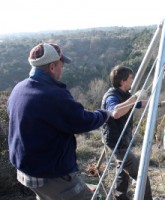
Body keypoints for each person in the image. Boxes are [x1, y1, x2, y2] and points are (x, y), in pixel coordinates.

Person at [7, 42, 110, 200]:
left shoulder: (19, 89)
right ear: (52, 67)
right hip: (50, 175)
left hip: (26, 171)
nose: (63, 69)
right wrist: (104, 114)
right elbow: (82, 121)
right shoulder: (53, 95)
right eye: (61, 64)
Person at [101, 65, 153, 200]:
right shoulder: (111, 96)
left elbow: (138, 104)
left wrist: (159, 103)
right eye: (131, 78)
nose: (133, 80)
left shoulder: (124, 95)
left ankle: (120, 197)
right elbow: (116, 112)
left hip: (122, 140)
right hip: (117, 143)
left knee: (122, 172)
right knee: (141, 176)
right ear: (123, 81)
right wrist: (135, 97)